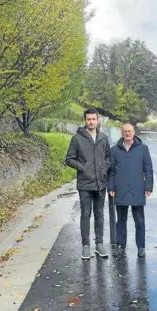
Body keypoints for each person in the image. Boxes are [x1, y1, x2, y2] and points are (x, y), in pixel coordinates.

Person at [65, 108, 111, 260]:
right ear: (85, 120)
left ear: (97, 120)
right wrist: (82, 168)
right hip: (85, 183)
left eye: (93, 119)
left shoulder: (103, 138)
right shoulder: (77, 138)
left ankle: (99, 244)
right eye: (88, 119)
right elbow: (69, 159)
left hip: (100, 184)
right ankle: (86, 246)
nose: (91, 122)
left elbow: (108, 157)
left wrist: (104, 168)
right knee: (85, 214)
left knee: (99, 214)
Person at [108, 123, 153, 258]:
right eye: (125, 131)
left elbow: (148, 169)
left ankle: (141, 247)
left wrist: (148, 186)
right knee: (121, 220)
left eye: (130, 131)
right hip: (120, 189)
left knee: (139, 220)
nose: (127, 133)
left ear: (134, 132)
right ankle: (121, 245)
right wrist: (111, 187)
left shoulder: (143, 149)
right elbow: (111, 171)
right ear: (121, 133)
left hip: (137, 188)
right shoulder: (114, 150)